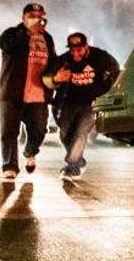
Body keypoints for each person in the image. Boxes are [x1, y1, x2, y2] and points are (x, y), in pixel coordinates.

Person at [43, 32, 119, 179]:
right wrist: (56, 78)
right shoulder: (65, 60)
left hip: (92, 104)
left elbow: (117, 72)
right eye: (72, 50)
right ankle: (79, 161)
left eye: (79, 50)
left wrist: (108, 92)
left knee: (80, 132)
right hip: (68, 103)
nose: (75, 54)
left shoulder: (101, 57)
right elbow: (47, 77)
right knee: (64, 134)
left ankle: (71, 167)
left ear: (86, 47)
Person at [0, 3, 55, 180]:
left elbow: (53, 61)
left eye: (39, 15)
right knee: (9, 132)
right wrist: (27, 32)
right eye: (32, 15)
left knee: (39, 130)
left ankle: (30, 151)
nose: (36, 19)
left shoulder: (47, 38)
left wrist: (57, 75)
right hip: (12, 92)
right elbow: (4, 45)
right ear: (23, 17)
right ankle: (10, 165)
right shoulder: (12, 33)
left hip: (38, 94)